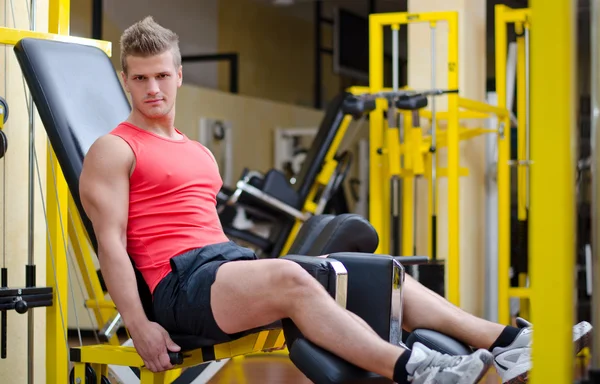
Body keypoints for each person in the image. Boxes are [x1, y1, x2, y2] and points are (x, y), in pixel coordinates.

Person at [79, 16, 592, 384]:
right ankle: (420, 372)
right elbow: (111, 245)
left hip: (223, 266)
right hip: (177, 286)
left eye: (161, 75)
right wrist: (141, 326)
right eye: (140, 77)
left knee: (377, 270)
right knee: (289, 277)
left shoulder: (197, 152)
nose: (152, 88)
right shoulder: (114, 147)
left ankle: (506, 342)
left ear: (178, 76)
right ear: (125, 79)